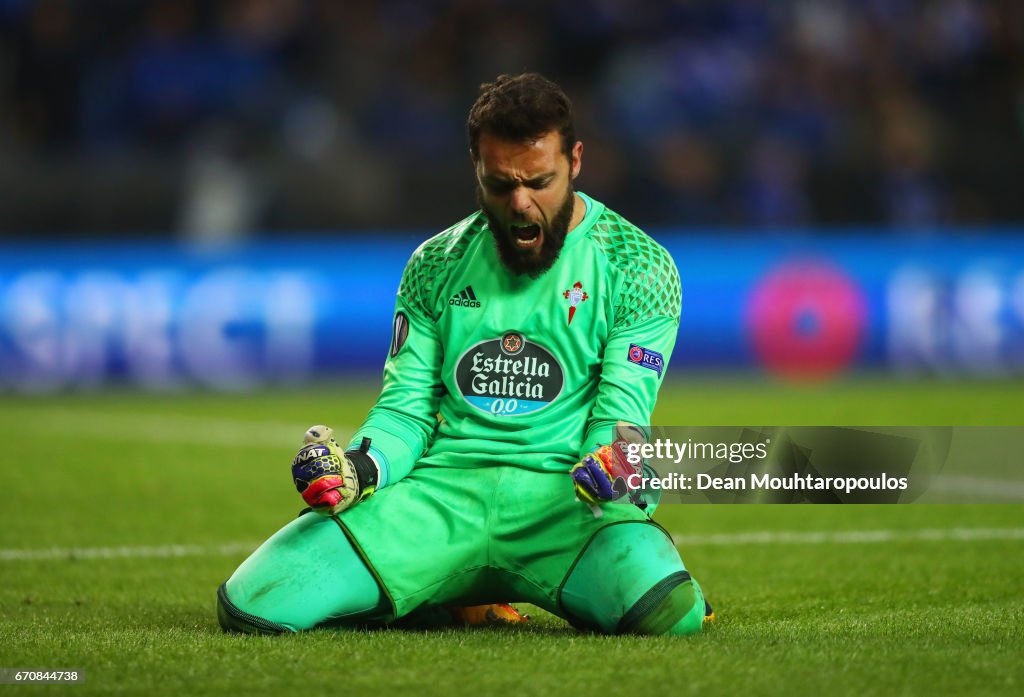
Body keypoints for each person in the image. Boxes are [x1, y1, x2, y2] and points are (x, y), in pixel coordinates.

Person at [217, 73, 711, 636]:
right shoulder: (435, 263)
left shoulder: (638, 266)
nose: (521, 204)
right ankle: (454, 592)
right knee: (252, 608)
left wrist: (615, 465)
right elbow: (405, 411)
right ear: (475, 164)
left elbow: (622, 421)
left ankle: (615, 564)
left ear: (575, 161)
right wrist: (355, 469)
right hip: (439, 498)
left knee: (666, 612)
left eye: (540, 182)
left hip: (565, 507)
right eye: (501, 184)